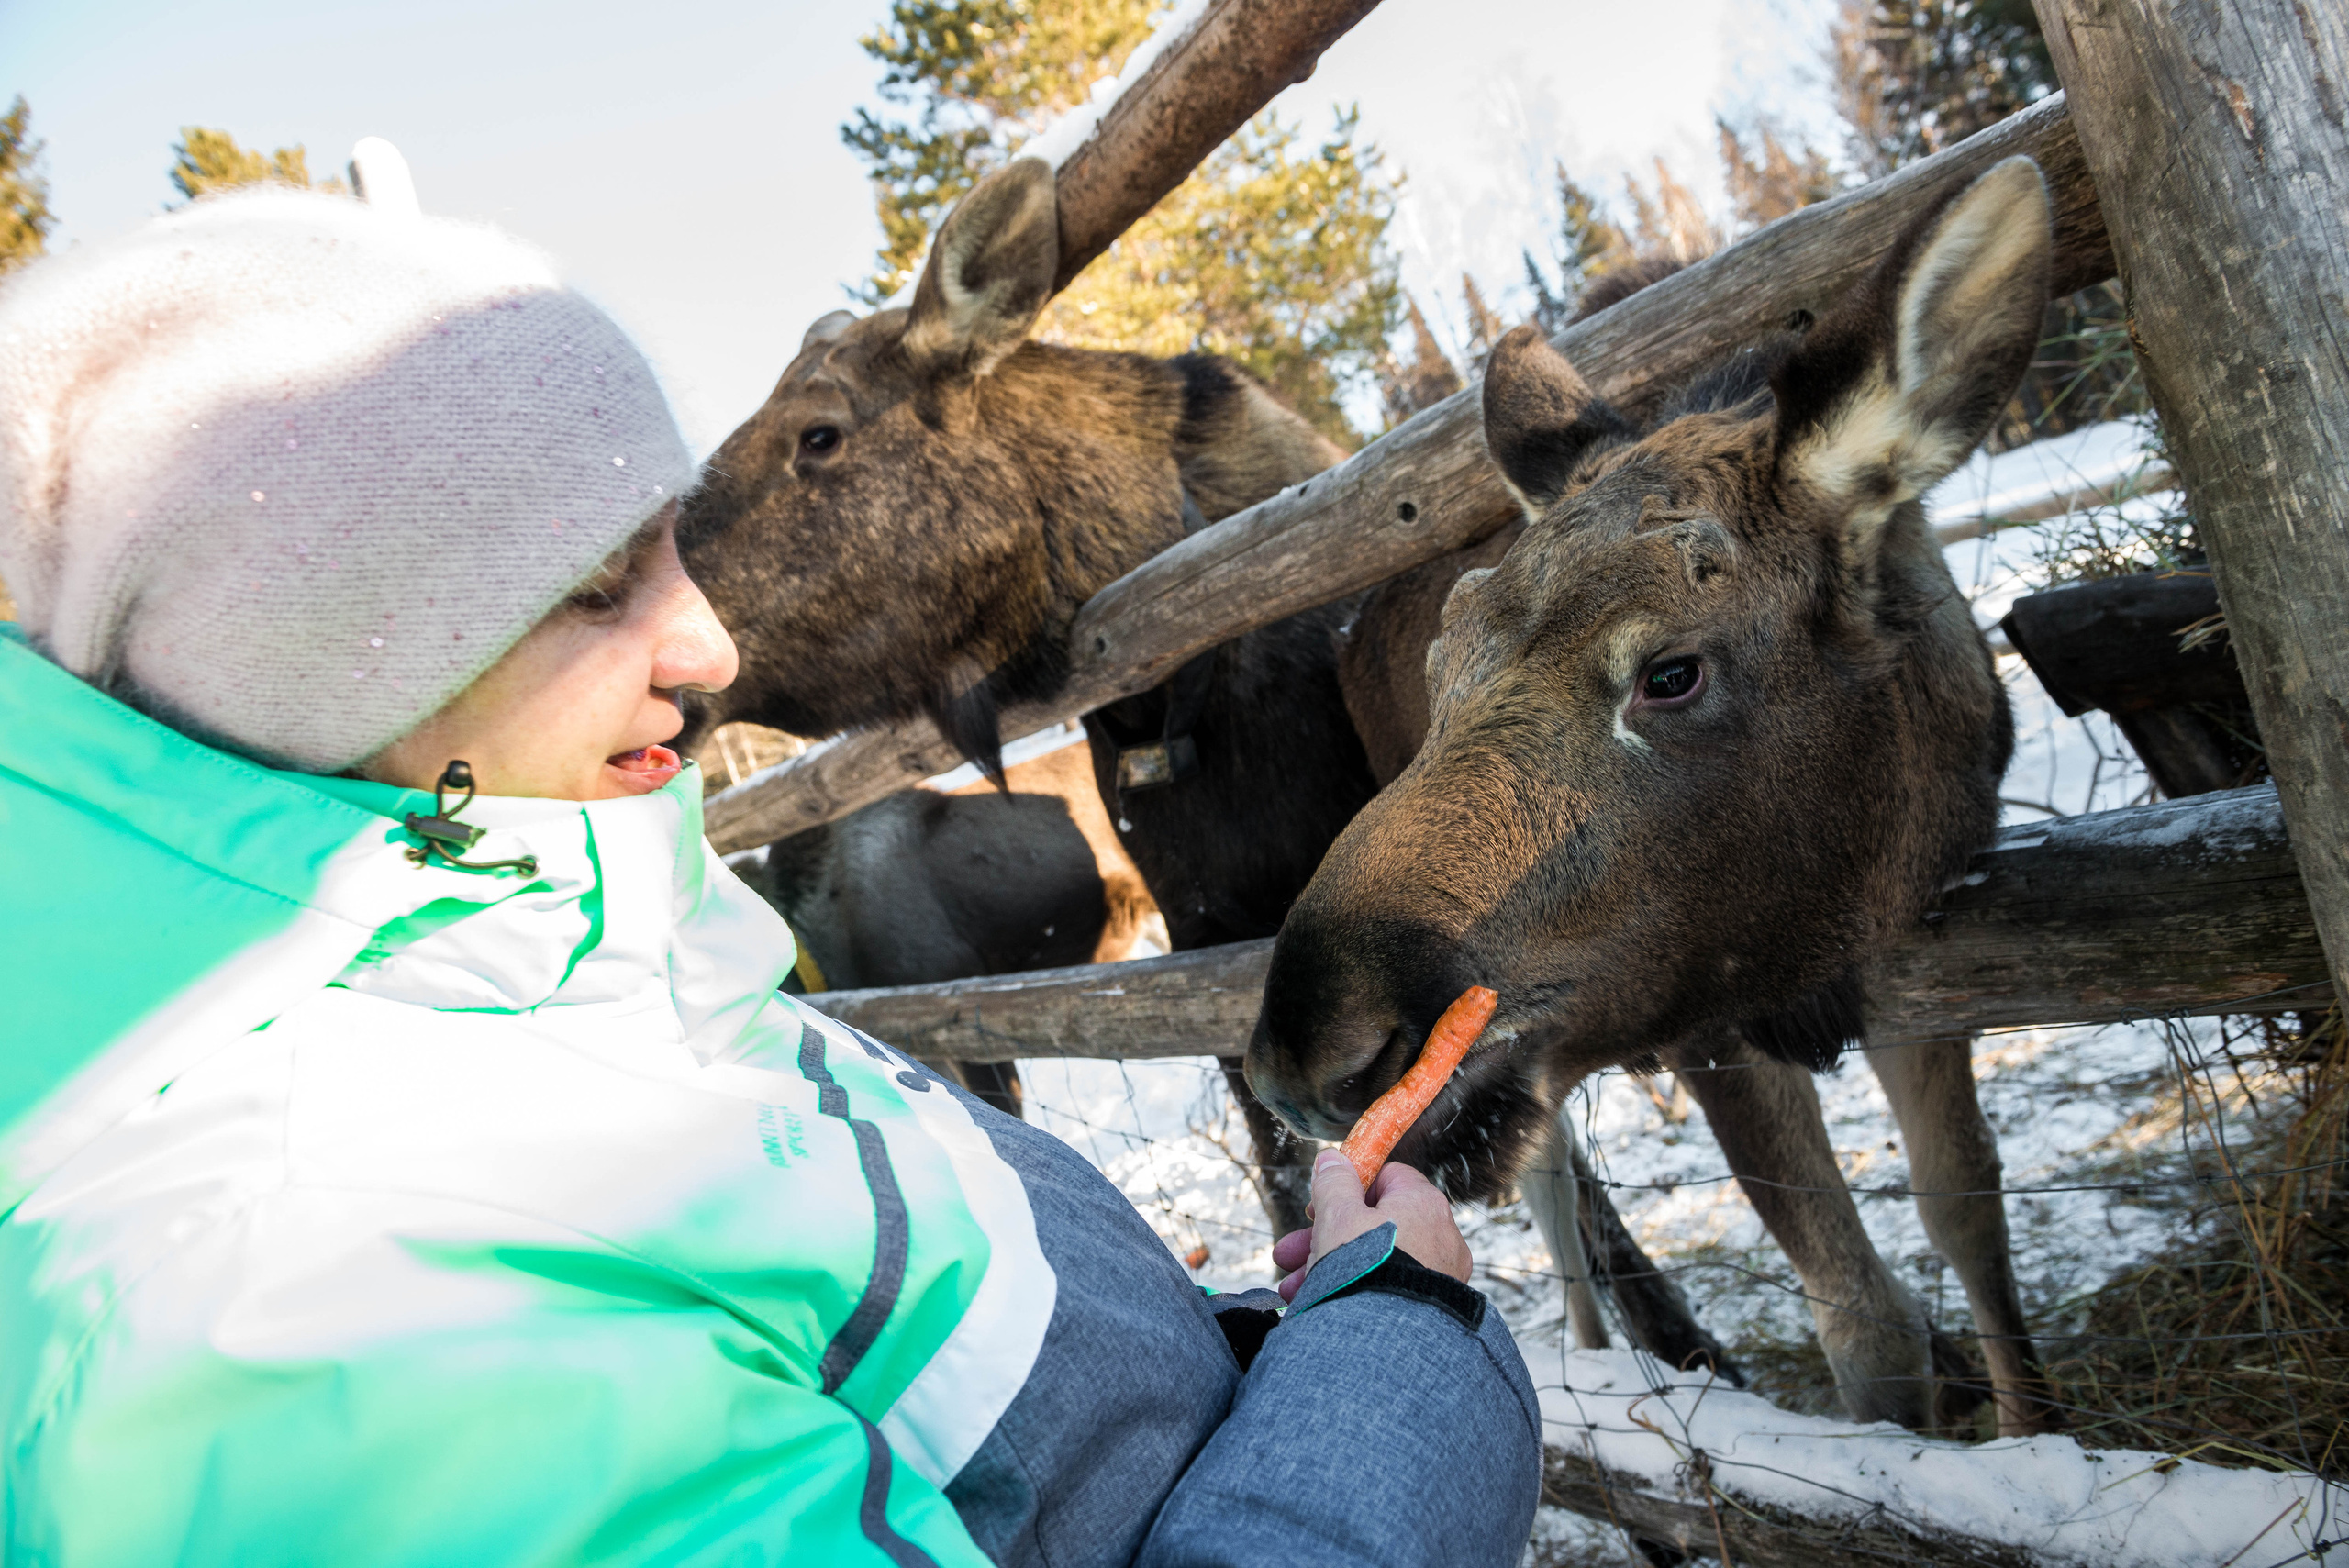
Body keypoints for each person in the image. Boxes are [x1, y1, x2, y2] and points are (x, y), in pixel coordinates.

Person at [0, 189, 1541, 1566]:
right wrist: (1390, 1353)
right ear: (326, 662)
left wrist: (1255, 1351)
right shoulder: (307, 1314)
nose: (710, 645)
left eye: (672, 543)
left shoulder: (573, 939)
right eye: (594, 587)